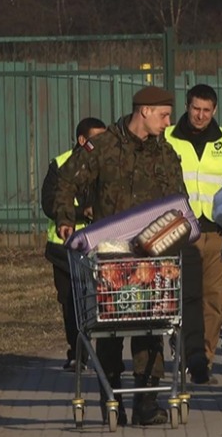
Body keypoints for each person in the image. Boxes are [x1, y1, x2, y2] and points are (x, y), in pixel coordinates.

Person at [54, 86, 186, 426]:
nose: (169, 122)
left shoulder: (166, 155)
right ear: (143, 111)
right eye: (163, 115)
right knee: (109, 329)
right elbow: (65, 181)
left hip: (152, 256)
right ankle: (111, 396)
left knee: (151, 326)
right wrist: (66, 220)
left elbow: (178, 203)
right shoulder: (104, 147)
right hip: (109, 255)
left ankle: (147, 400)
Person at [164, 84, 222, 384]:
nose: (201, 115)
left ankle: (201, 361)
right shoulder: (168, 138)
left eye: (207, 110)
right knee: (182, 298)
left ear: (215, 110)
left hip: (215, 231)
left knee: (214, 299)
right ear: (187, 105)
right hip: (178, 232)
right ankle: (183, 351)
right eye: (196, 108)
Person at [41, 117, 107, 372]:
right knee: (70, 302)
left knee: (102, 302)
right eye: (96, 138)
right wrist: (82, 214)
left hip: (99, 247)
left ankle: (104, 355)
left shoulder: (107, 164)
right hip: (64, 248)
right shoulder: (60, 164)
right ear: (82, 140)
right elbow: (50, 204)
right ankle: (78, 354)